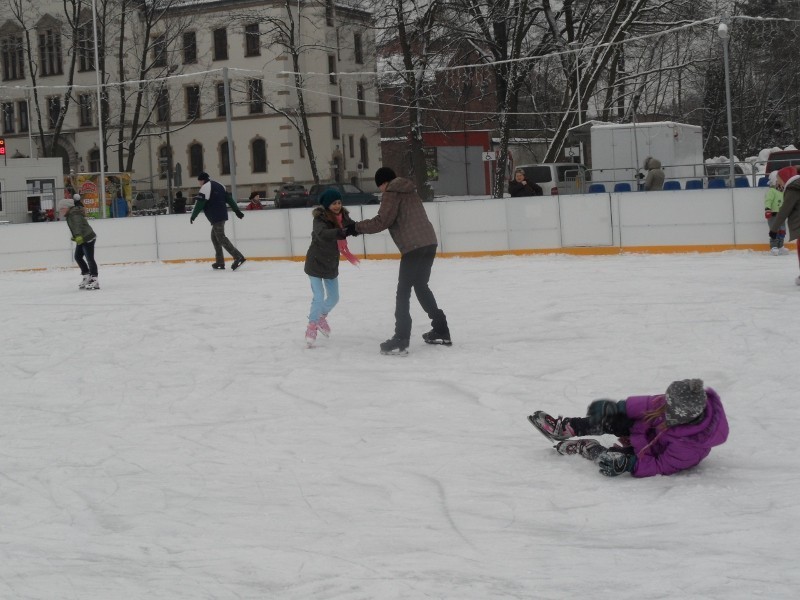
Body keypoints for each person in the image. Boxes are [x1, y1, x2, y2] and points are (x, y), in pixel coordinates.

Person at [528, 378, 728, 478]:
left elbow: (661, 465)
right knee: (613, 419)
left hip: (645, 454)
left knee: (610, 459)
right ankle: (568, 429)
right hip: (640, 432)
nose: (663, 405)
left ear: (680, 416)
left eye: (668, 407)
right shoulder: (673, 404)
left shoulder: (692, 447)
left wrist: (630, 464)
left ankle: (588, 448)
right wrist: (618, 407)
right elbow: (648, 404)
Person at [345, 167, 450, 355]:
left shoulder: (392, 193)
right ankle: (441, 329)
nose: (381, 191)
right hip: (429, 242)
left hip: (413, 247)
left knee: (403, 292)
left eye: (380, 187)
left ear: (384, 183)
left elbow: (382, 221)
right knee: (421, 286)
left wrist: (355, 228)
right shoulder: (410, 190)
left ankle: (401, 336)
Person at [303, 188, 360, 347]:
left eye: (339, 202)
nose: (337, 206)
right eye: (334, 203)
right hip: (315, 263)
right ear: (327, 204)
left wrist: (360, 228)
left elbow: (353, 227)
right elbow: (322, 233)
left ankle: (321, 317)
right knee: (319, 297)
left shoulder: (344, 217)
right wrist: (341, 232)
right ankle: (311, 326)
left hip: (330, 263)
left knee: (334, 297)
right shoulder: (319, 219)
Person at [190, 172, 247, 270]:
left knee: (221, 237)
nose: (199, 183)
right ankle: (220, 262)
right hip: (221, 214)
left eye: (199, 181)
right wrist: (237, 211)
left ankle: (238, 257)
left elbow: (200, 203)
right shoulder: (220, 185)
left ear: (202, 180)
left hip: (216, 216)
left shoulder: (205, 187)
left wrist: (193, 216)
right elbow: (229, 199)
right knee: (215, 238)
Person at [59, 194, 100, 290]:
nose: (60, 211)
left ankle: (95, 279)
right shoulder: (70, 214)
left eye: (62, 209)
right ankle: (87, 275)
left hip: (87, 237)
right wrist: (76, 237)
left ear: (67, 207)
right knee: (77, 256)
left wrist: (77, 236)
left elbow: (77, 225)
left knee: (90, 258)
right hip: (82, 237)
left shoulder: (74, 214)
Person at [769, 166, 800, 285]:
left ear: (785, 178)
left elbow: (784, 211)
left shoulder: (793, 189)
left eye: (779, 179)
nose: (778, 182)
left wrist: (774, 229)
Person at [764, 170, 787, 255]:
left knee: (782, 231)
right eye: (779, 180)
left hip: (782, 215)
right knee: (774, 230)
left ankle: (780, 246)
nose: (782, 182)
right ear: (774, 181)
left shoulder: (783, 191)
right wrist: (767, 210)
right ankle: (774, 247)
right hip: (773, 215)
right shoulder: (772, 191)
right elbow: (768, 201)